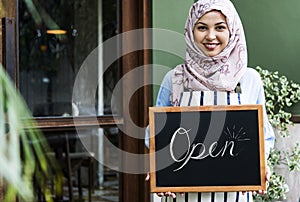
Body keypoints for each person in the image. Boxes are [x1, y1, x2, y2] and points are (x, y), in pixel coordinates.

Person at [145, 0, 275, 201]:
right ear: (190, 31)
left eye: (220, 27)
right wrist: (160, 170)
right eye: (202, 27)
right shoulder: (174, 78)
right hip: (182, 195)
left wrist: (261, 166)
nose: (211, 36)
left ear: (232, 31)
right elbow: (155, 133)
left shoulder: (248, 79)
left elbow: (263, 135)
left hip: (236, 195)